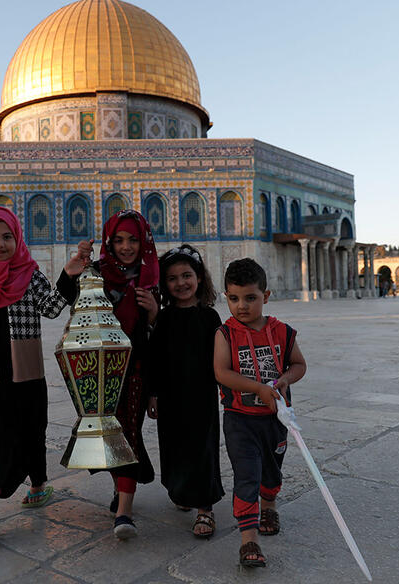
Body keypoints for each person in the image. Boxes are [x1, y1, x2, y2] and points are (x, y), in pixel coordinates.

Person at [0, 206, 91, 555]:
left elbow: (53, 307)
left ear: (18, 238)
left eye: (7, 236)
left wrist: (69, 274)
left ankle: (39, 485)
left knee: (31, 433)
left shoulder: (29, 274)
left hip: (27, 376)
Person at [213, 258, 307, 569]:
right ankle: (248, 539)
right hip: (240, 419)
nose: (242, 306)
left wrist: (283, 381)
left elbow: (298, 365)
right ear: (226, 296)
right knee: (247, 476)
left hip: (275, 419)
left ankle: (269, 504)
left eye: (250, 298)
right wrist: (258, 388)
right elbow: (222, 373)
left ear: (265, 296)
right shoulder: (225, 334)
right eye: (234, 298)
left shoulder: (281, 331)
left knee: (271, 471)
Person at [148, 244, 224, 538]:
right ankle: (181, 490)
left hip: (201, 395)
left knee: (202, 448)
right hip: (170, 396)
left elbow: (220, 360)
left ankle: (205, 507)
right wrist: (152, 394)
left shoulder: (210, 318)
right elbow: (155, 358)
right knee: (174, 447)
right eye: (172, 278)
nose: (181, 283)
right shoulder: (164, 319)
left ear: (200, 278)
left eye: (186, 275)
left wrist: (226, 389)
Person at [94, 209, 159, 539]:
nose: (126, 246)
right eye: (118, 240)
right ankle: (123, 485)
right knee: (108, 435)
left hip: (135, 372)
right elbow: (72, 311)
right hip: (101, 372)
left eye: (134, 239)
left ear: (144, 240)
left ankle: (125, 513)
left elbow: (159, 339)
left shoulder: (151, 280)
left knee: (128, 434)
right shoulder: (95, 274)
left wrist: (153, 314)